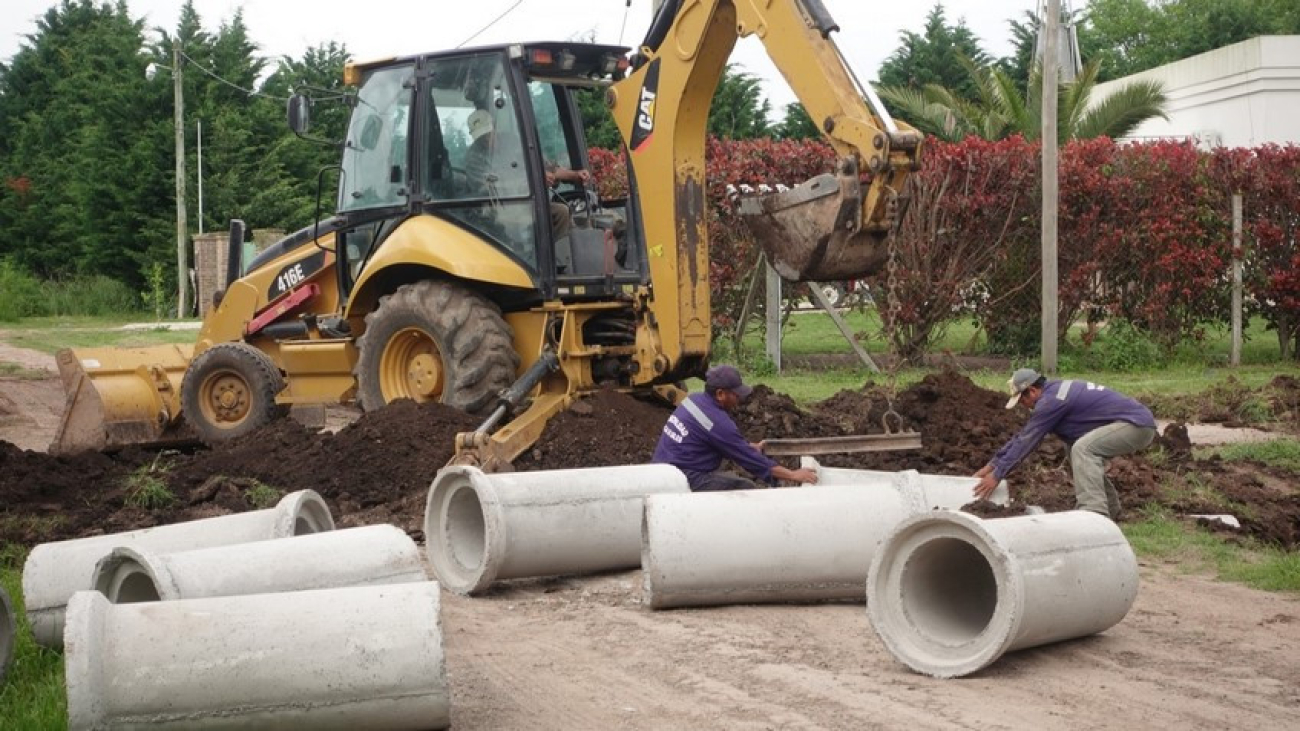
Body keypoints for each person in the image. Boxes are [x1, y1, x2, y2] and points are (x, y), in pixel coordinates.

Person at [972, 368, 1157, 519]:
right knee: (1074, 448)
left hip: (1136, 425)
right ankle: (1110, 507)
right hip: (1133, 423)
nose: (1024, 406)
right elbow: (1023, 436)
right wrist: (993, 464)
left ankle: (1093, 512)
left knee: (1083, 449)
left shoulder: (1051, 401)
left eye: (1023, 400)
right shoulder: (1054, 391)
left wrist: (997, 475)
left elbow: (1027, 441)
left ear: (1033, 391)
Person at [653, 365, 819, 491]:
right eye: (735, 393)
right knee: (745, 487)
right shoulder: (717, 422)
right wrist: (792, 474)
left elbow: (716, 439)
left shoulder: (693, 400)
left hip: (662, 468)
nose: (739, 398)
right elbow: (749, 460)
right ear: (720, 394)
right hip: (684, 477)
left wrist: (744, 446)